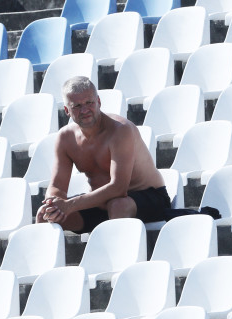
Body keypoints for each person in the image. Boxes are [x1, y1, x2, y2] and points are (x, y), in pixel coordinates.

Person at [36, 76, 171, 233]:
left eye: (89, 103)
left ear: (99, 102)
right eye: (77, 106)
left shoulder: (120, 130)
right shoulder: (66, 138)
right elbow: (57, 186)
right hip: (102, 204)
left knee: (118, 205)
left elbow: (119, 188)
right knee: (44, 216)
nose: (85, 110)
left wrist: (70, 205)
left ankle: (120, 257)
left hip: (147, 198)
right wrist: (52, 204)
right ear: (67, 110)